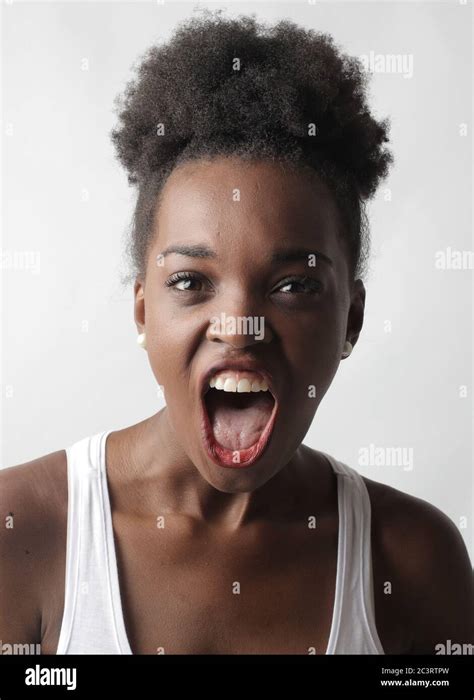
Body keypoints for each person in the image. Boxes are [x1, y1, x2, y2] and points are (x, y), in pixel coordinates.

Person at [1, 11, 472, 655]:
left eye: (293, 285)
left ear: (352, 319)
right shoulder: (20, 532)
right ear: (142, 311)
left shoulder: (414, 560)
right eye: (192, 282)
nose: (239, 326)